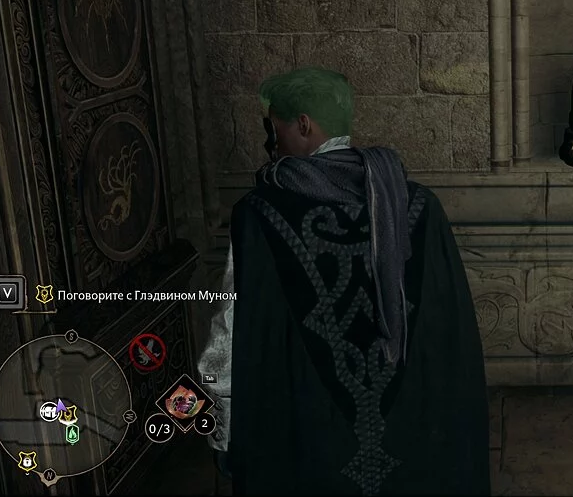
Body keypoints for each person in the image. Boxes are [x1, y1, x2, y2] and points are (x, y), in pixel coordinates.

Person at [197, 67, 490, 495]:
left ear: (303, 125)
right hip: (413, 423)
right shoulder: (420, 204)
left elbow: (229, 334)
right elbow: (451, 330)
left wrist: (223, 431)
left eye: (274, 130)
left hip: (307, 431)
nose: (270, 145)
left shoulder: (258, 214)